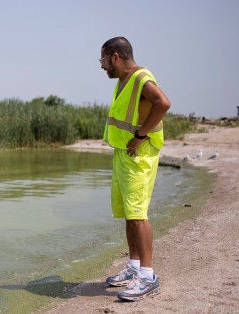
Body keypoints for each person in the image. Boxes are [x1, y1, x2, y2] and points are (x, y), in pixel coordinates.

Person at [99, 37, 171, 301]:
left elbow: (163, 103)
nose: (103, 66)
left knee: (138, 214)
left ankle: (148, 276)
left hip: (139, 155)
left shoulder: (141, 78)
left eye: (103, 60)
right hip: (124, 154)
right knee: (130, 213)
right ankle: (134, 267)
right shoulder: (124, 80)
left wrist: (140, 135)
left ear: (115, 56)